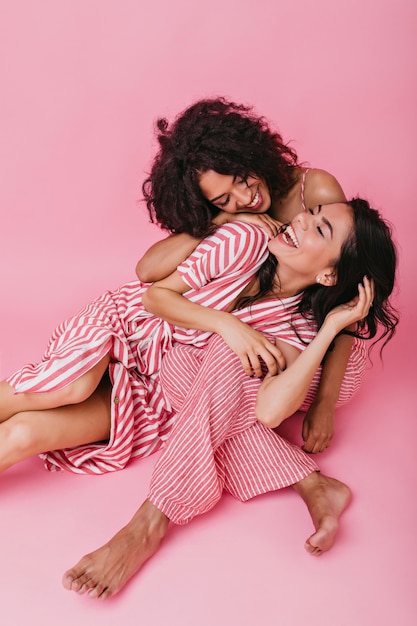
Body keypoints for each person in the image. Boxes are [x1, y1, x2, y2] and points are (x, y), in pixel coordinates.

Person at [61, 198, 398, 599]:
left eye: (321, 230)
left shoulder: (305, 325)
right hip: (236, 357)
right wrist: (229, 325)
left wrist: (332, 329)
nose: (303, 220)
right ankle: (312, 482)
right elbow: (153, 291)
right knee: (178, 364)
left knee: (227, 354)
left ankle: (150, 522)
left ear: (329, 274)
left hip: (318, 375)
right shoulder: (250, 241)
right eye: (313, 212)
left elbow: (271, 411)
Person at [136, 97, 354, 453]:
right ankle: (306, 481)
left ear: (252, 155)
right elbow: (146, 272)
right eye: (223, 199)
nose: (245, 197)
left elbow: (347, 293)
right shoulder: (233, 219)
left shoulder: (315, 193)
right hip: (241, 325)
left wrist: (325, 403)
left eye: (242, 179)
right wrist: (223, 218)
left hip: (299, 327)